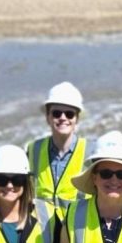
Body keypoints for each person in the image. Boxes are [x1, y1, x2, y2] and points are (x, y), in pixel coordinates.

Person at [27, 81, 88, 221]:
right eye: (56, 113)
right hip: (41, 233)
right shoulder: (33, 150)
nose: (62, 118)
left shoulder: (91, 151)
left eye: (69, 114)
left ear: (77, 118)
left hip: (76, 231)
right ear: (48, 117)